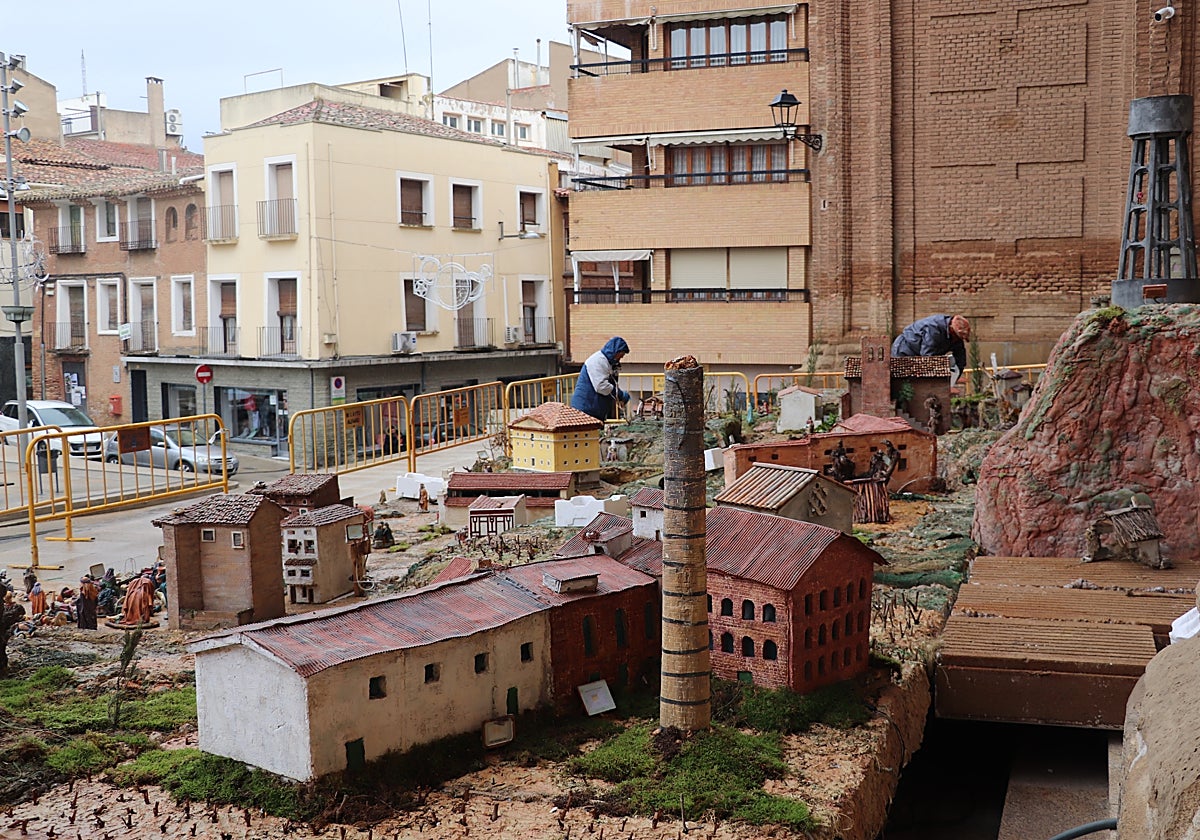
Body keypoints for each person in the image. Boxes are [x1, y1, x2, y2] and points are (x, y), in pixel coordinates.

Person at [570, 336, 631, 422]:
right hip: (585, 409)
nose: (619, 359)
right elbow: (601, 386)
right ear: (615, 352)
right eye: (620, 356)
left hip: (595, 408)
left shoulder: (608, 363)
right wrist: (619, 394)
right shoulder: (598, 361)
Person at [891, 314, 971, 377]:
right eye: (957, 337)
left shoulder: (956, 339)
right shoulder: (934, 329)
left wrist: (952, 380)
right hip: (904, 350)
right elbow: (927, 358)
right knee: (903, 381)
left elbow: (960, 361)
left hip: (919, 353)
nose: (958, 340)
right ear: (951, 330)